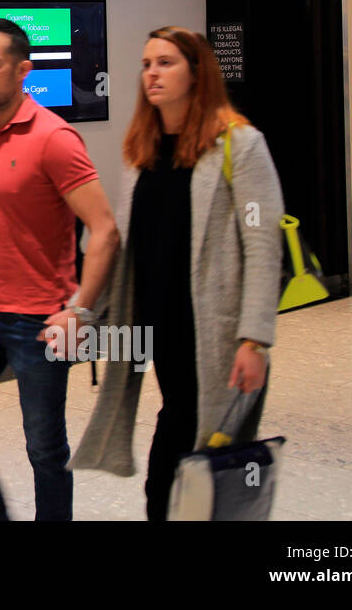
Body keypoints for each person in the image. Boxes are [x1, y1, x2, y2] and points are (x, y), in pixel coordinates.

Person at [70, 26, 284, 520]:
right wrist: (89, 312)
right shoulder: (140, 152)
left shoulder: (240, 145)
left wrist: (254, 341)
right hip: (159, 329)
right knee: (183, 442)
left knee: (189, 457)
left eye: (165, 62)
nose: (152, 73)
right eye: (146, 64)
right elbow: (128, 245)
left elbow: (262, 246)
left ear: (197, 72)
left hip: (216, 335)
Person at [0, 19, 119, 521]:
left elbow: (104, 229)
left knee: (44, 450)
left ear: (23, 71)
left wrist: (80, 310)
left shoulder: (54, 139)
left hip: (39, 321)